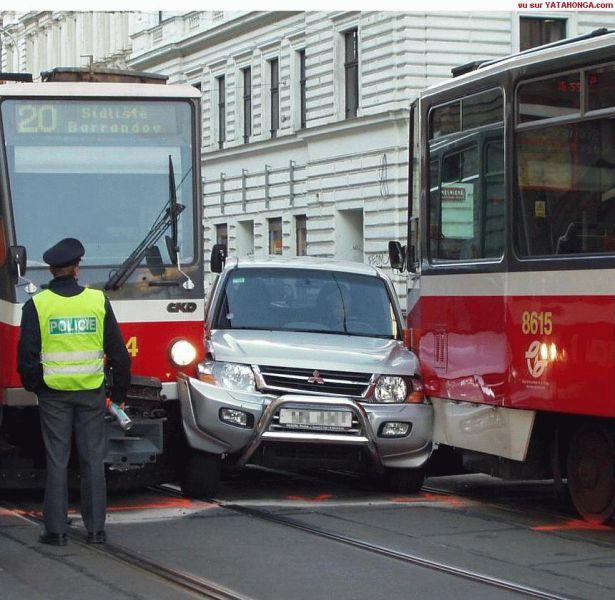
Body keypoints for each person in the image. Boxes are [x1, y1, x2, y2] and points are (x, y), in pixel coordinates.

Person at [18, 238, 130, 546]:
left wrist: (36, 386)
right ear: (77, 269)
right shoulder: (97, 301)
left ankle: (56, 531)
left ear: (52, 271)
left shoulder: (38, 304)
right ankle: (96, 530)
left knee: (57, 459)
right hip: (91, 392)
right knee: (93, 459)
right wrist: (118, 395)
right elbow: (119, 354)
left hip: (53, 394)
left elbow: (26, 356)